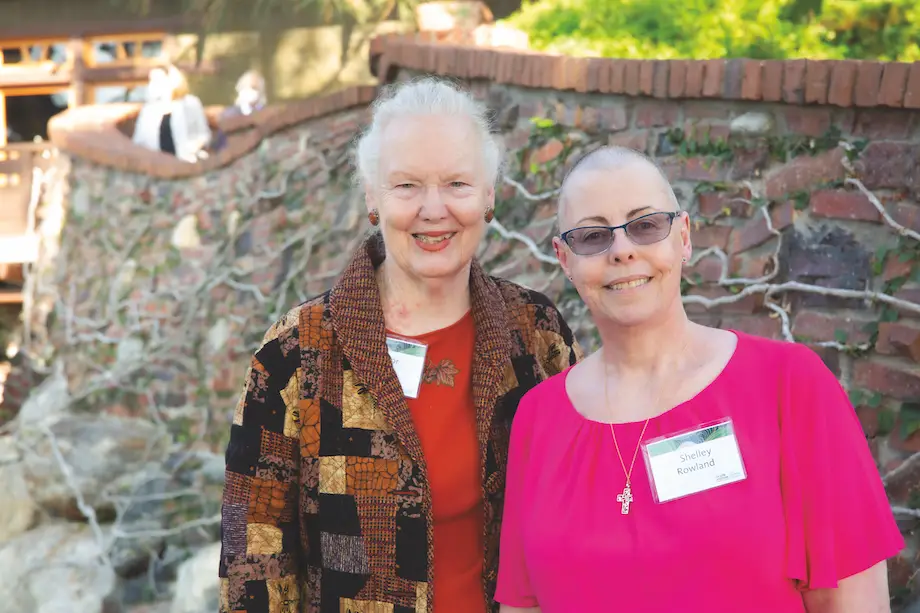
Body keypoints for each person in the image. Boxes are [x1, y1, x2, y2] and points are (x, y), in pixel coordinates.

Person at [217, 77, 582, 613]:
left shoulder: (534, 335)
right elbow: (254, 561)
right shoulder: (298, 353)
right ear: (372, 196)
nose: (433, 210)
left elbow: (576, 517)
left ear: (489, 195)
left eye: (457, 183)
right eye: (407, 185)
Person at [495, 146, 904, 613]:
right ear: (564, 259)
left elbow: (853, 602)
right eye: (592, 236)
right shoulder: (539, 416)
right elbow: (522, 606)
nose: (623, 250)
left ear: (683, 237)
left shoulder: (788, 386)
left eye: (646, 226)